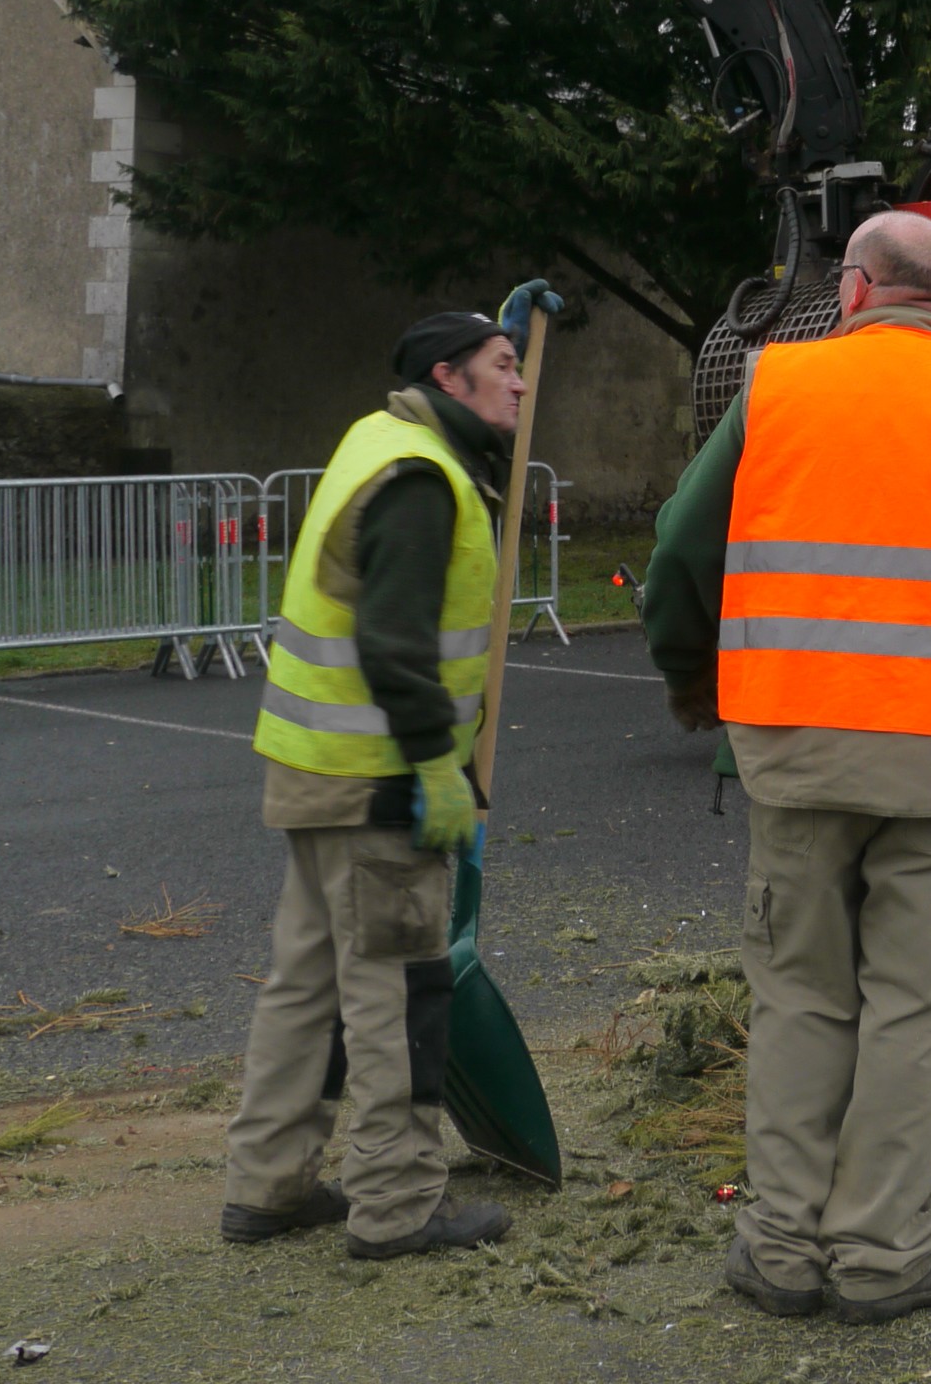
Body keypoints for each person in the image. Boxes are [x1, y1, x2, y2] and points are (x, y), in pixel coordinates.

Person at [642, 210, 931, 1325]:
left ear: (851, 292)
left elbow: (676, 549)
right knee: (913, 1005)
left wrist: (689, 681)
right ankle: (881, 1254)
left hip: (794, 748)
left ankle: (779, 1246)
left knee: (800, 995)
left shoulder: (776, 389)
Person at [219, 283, 556, 1260]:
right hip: (377, 783)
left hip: (316, 772)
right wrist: (434, 770)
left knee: (306, 987)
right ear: (446, 377)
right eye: (503, 367)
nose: (520, 383)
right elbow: (395, 642)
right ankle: (399, 1203)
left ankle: (269, 1184)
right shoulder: (418, 477)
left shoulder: (381, 443)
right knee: (398, 993)